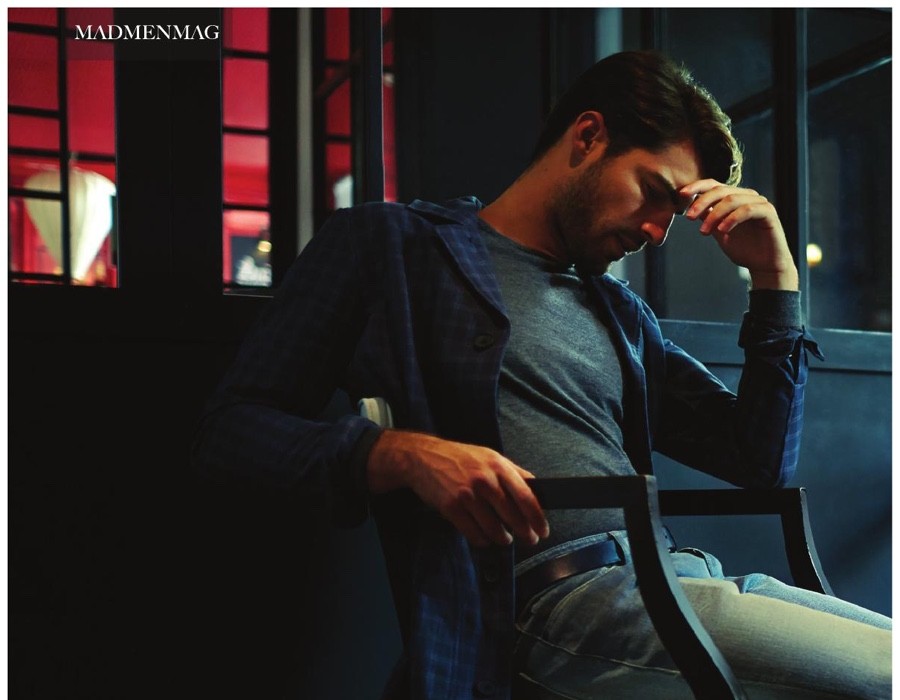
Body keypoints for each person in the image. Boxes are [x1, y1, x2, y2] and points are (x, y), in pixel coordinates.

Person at [192, 50, 891, 699]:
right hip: (551, 606)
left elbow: (760, 461)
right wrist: (399, 453)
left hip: (678, 580)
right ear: (587, 137)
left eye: (674, 212)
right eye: (653, 191)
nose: (658, 232)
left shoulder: (617, 310)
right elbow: (230, 432)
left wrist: (774, 278)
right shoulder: (396, 250)